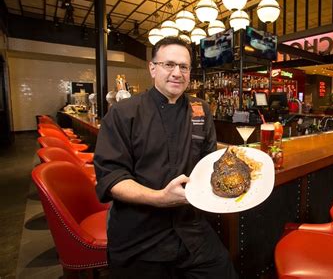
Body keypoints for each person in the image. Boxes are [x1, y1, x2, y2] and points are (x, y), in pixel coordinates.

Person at [94, 37, 238, 278]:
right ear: (152, 68)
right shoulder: (123, 113)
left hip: (190, 229)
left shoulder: (200, 109)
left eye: (184, 67)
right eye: (168, 64)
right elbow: (112, 177)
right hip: (140, 234)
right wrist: (159, 198)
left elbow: (209, 163)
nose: (177, 73)